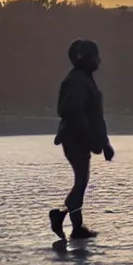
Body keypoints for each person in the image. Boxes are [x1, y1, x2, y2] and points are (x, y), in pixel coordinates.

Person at [50, 38, 113, 242]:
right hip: (75, 139)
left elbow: (95, 117)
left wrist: (104, 143)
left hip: (80, 139)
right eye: (95, 57)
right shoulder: (77, 81)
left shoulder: (83, 80)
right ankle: (61, 215)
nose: (99, 61)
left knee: (82, 181)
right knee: (81, 181)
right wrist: (94, 140)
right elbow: (74, 113)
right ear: (85, 59)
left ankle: (76, 226)